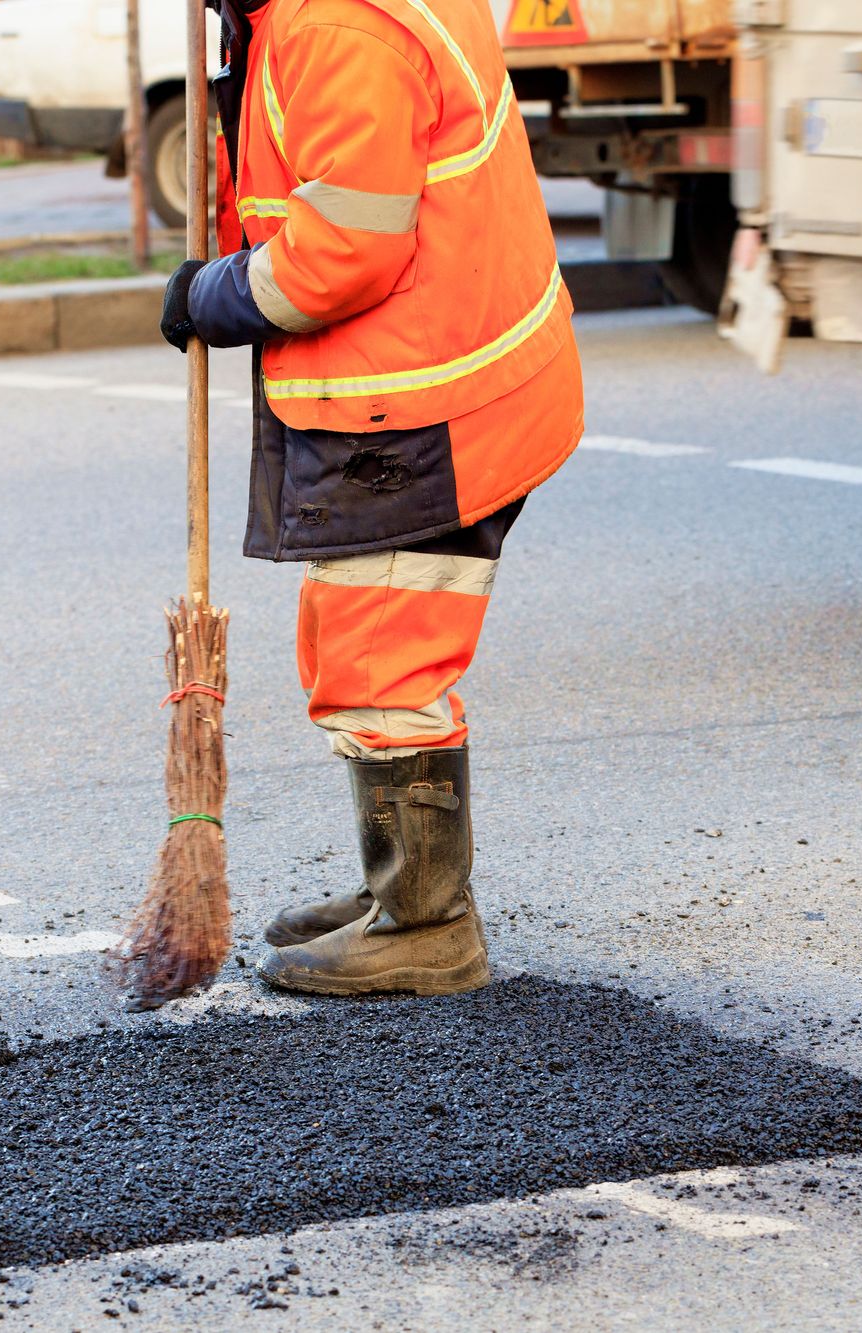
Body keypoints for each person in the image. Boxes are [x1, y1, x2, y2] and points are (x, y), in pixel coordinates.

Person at [158, 0, 582, 996]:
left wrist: (209, 295)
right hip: (435, 374)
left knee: (380, 658)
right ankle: (398, 888)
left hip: (431, 399)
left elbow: (342, 251)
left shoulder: (338, 27)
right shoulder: (300, 14)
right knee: (363, 637)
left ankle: (428, 925)